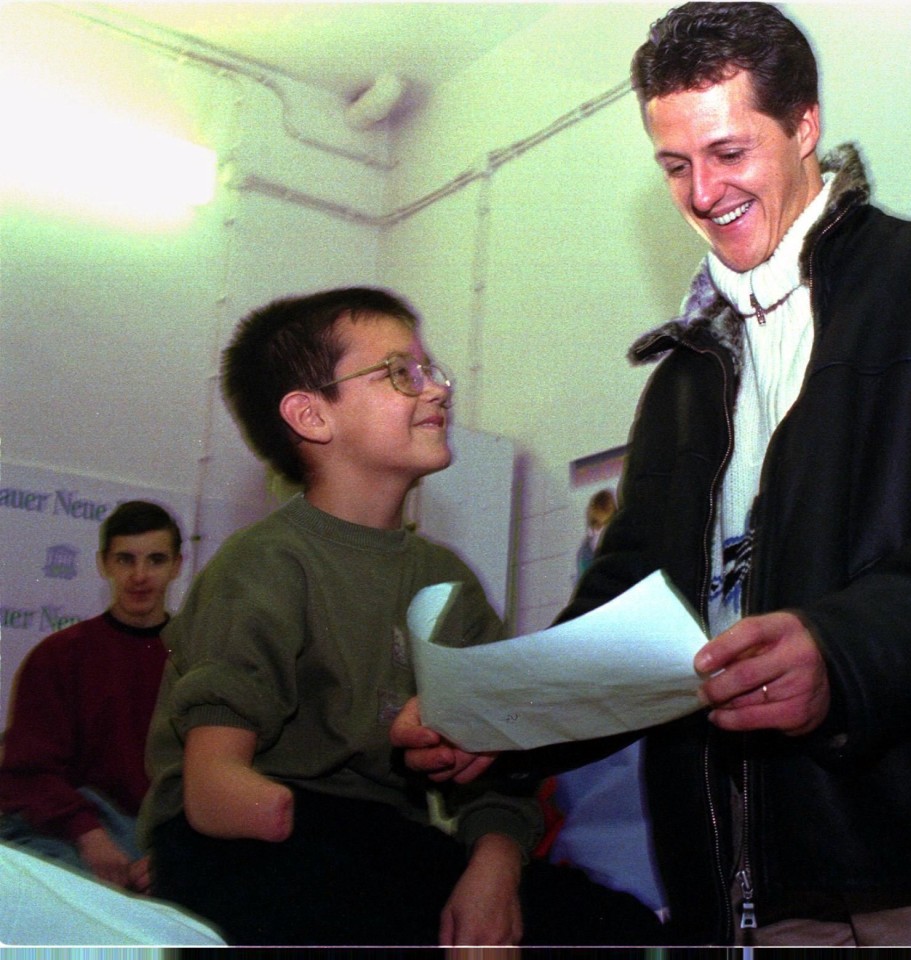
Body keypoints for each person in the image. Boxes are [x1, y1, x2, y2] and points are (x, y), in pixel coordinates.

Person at [397, 2, 911, 947]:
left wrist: (840, 653)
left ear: (805, 125)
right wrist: (505, 722)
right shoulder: (686, 381)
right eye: (675, 165)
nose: (702, 192)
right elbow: (635, 612)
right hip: (756, 888)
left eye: (729, 153)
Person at [138, 286, 661, 947]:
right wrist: (290, 819)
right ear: (311, 416)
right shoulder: (264, 564)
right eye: (400, 373)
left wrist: (492, 870)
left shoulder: (447, 583)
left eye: (431, 369)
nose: (437, 389)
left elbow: (499, 775)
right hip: (250, 840)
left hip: (381, 839)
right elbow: (214, 790)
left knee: (616, 928)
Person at [0, 500, 183, 893]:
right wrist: (89, 836)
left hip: (166, 839)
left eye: (155, 559)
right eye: (125, 559)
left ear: (177, 566)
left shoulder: (199, 658)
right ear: (103, 564)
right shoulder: (59, 656)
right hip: (73, 833)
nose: (139, 575)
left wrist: (174, 852)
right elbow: (26, 774)